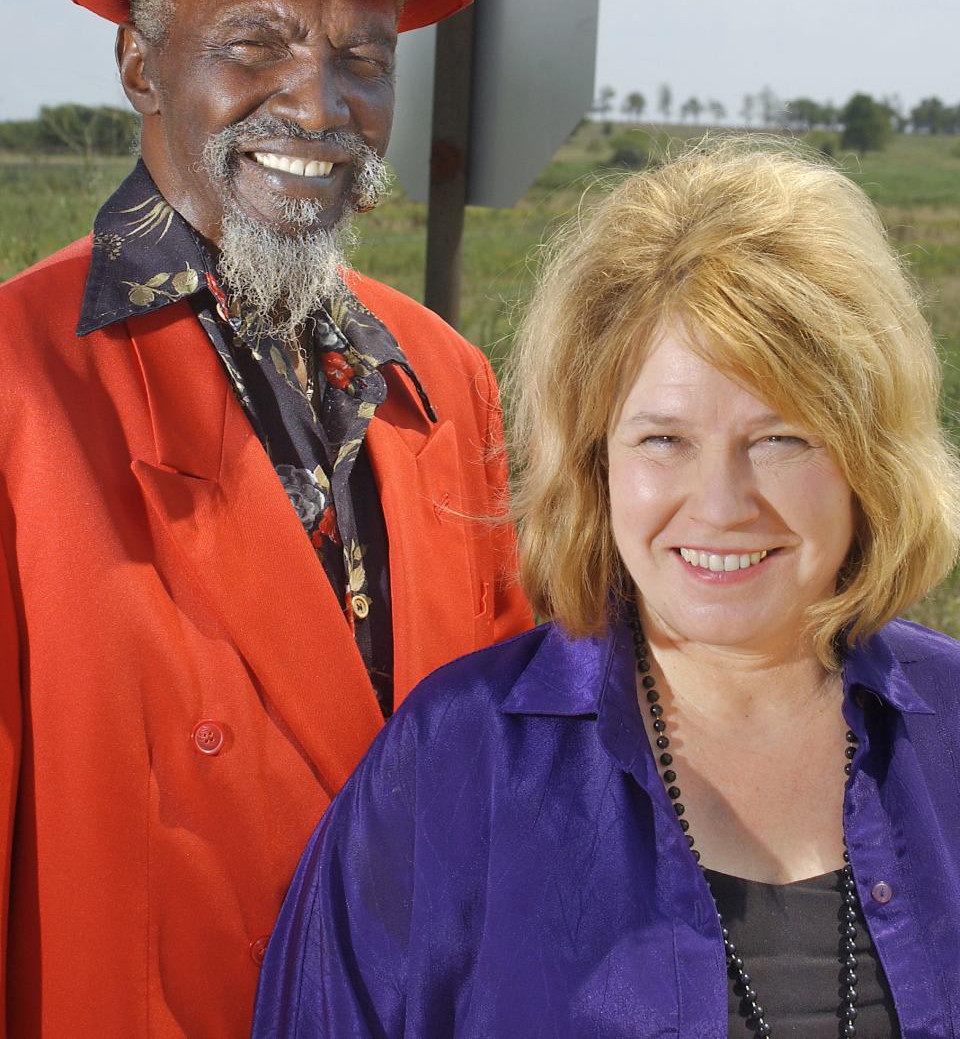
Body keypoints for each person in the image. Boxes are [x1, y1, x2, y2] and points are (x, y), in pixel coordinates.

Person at [0, 0, 531, 1038]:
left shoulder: (446, 383)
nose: (317, 103)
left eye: (362, 59)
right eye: (256, 42)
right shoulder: (18, 389)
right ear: (140, 61)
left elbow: (514, 787)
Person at [253, 139, 960, 1039]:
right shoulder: (459, 760)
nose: (722, 506)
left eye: (782, 439)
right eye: (664, 440)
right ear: (595, 466)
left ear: (868, 460)